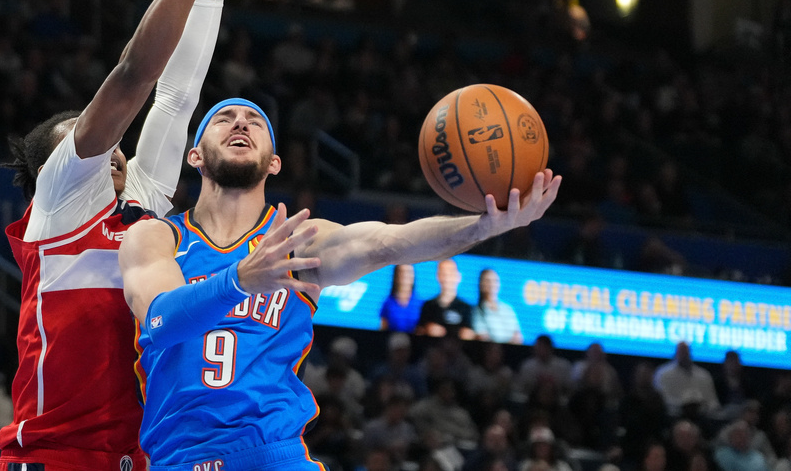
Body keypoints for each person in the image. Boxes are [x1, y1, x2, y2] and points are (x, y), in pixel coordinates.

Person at [0, 0, 285, 471]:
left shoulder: (145, 210)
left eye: (112, 144)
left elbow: (180, 90)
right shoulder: (60, 205)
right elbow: (134, 76)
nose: (111, 146)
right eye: (87, 140)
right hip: (50, 458)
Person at [120, 99, 560, 469]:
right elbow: (161, 320)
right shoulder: (157, 236)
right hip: (183, 456)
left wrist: (483, 226)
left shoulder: (300, 240)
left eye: (255, 121)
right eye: (224, 118)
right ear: (195, 155)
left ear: (274, 163)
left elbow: (390, 243)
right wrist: (238, 280)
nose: (240, 123)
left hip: (275, 454)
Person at [417, 258, 474, 339]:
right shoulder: (428, 306)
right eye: (443, 273)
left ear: (458, 276)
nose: (446, 278)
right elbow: (418, 331)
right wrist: (427, 330)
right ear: (438, 276)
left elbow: (473, 334)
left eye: (450, 273)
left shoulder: (467, 308)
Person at [472, 269, 522, 344]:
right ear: (481, 284)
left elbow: (518, 336)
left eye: (495, 281)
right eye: (487, 281)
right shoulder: (477, 310)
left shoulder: (508, 309)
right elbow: (482, 337)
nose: (491, 284)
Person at [380, 265, 424, 333]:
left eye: (408, 272)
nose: (404, 276)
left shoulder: (420, 304)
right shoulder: (388, 303)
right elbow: (383, 328)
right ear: (396, 275)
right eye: (401, 272)